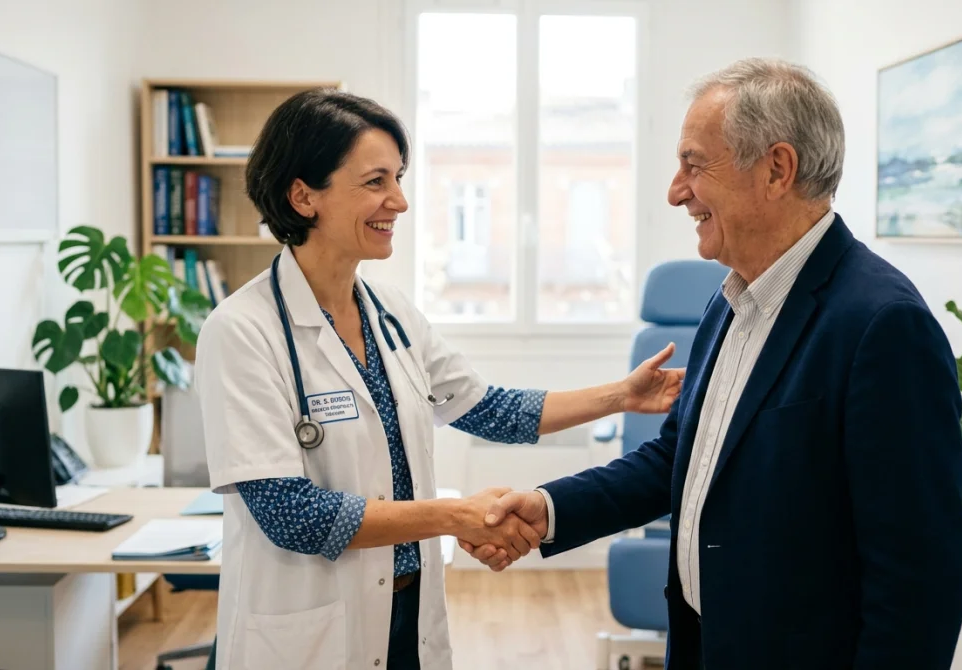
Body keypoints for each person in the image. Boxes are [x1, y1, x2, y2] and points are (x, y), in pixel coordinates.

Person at [463, 58, 962, 668]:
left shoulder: (882, 325)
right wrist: (549, 510)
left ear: (777, 169)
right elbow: (677, 458)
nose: (677, 191)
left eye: (694, 164)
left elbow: (918, 581)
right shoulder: (731, 297)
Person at [193, 89, 685, 670]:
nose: (399, 201)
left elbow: (488, 409)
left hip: (407, 617)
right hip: (310, 632)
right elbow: (290, 513)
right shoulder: (242, 331)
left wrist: (620, 396)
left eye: (398, 178)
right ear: (304, 196)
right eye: (376, 181)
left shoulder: (392, 313)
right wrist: (454, 516)